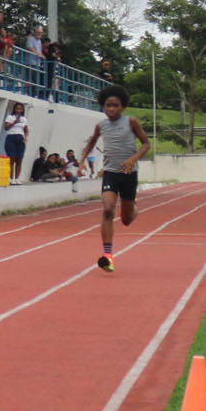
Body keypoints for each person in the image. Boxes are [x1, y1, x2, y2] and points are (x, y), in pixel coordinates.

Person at [79, 85, 151, 273]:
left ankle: (133, 206)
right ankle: (108, 255)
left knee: (126, 220)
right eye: (107, 106)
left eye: (115, 105)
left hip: (129, 174)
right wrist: (81, 162)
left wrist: (133, 158)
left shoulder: (131, 122)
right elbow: (92, 142)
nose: (111, 109)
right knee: (108, 210)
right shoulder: (101, 126)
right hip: (110, 173)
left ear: (122, 107)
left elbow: (146, 143)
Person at [3, 101, 29, 183]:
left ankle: (17, 178)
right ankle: (11, 178)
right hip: (11, 137)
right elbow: (6, 127)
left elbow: (26, 129)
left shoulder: (24, 119)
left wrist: (26, 137)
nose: (19, 110)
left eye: (21, 109)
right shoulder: (10, 117)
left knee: (19, 159)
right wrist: (15, 121)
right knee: (12, 159)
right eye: (17, 108)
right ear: (15, 109)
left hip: (20, 138)